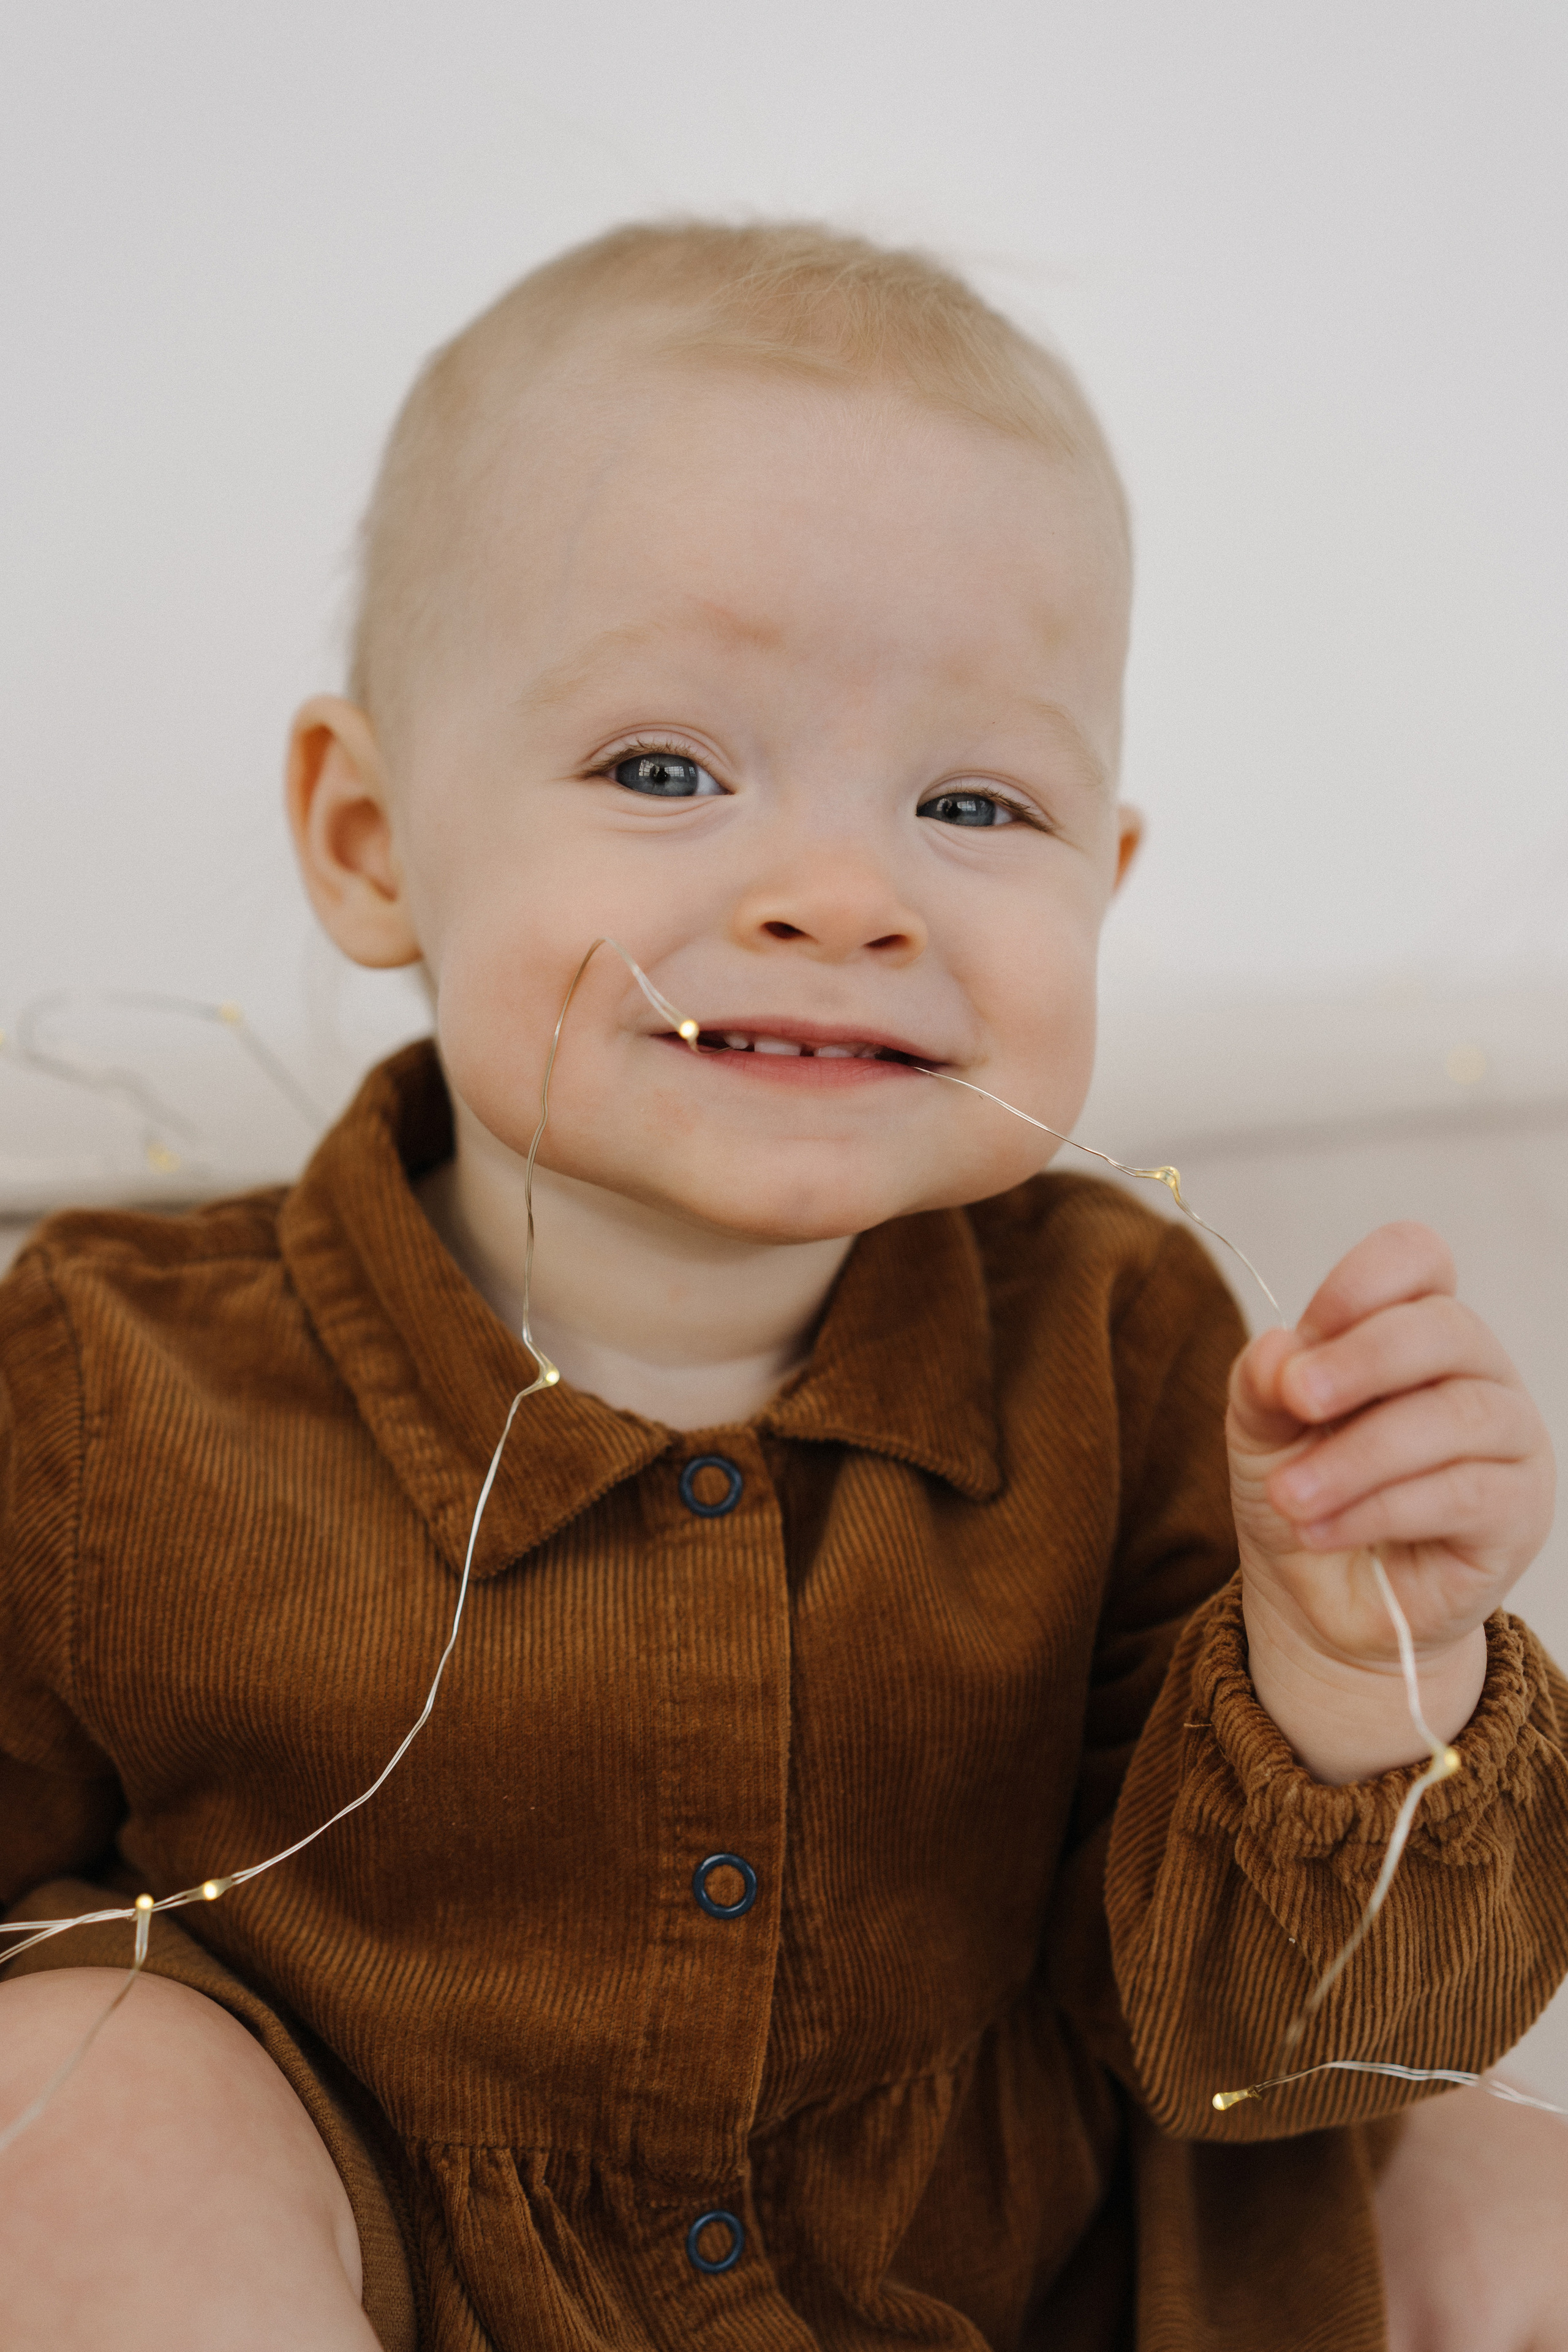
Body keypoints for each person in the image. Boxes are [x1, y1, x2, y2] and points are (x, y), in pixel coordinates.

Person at [0, 221, 1561, 2352]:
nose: (845, 898)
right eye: (666, 769)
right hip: (370, 2286)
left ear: (1100, 888)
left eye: (971, 802)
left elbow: (1292, 2070)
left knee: (1496, 2184)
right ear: (370, 840)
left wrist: (1371, 1664)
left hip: (1037, 2285)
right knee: (70, 2101)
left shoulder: (1135, 1347)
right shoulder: (97, 1379)